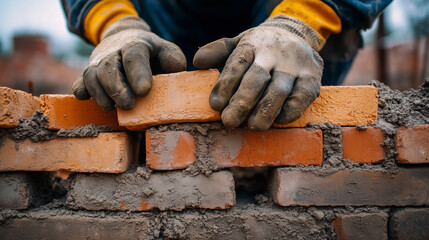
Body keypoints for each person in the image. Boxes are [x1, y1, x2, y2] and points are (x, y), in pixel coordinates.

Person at [61, 0, 392, 131]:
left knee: (334, 29)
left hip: (280, 20)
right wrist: (116, 23)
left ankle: (298, 144)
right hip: (162, 20)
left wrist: (301, 20)